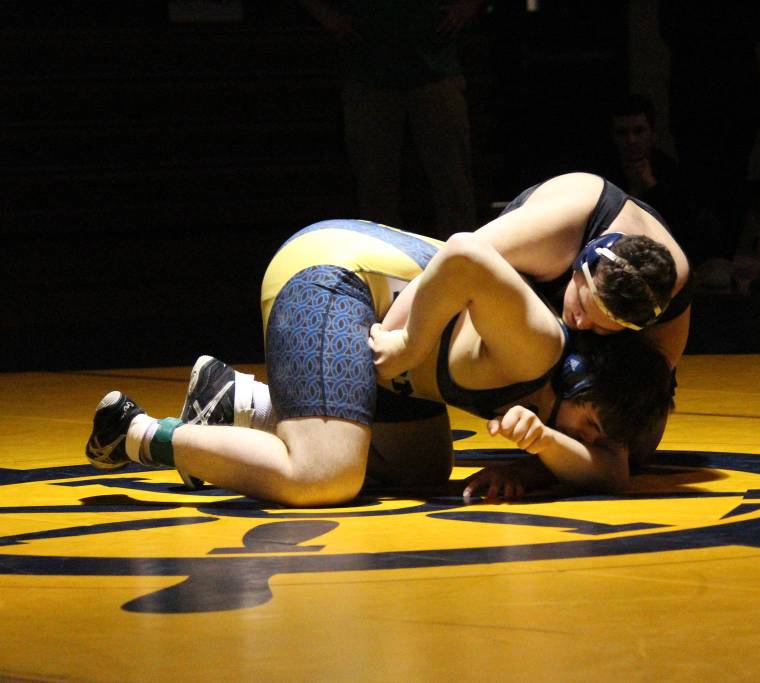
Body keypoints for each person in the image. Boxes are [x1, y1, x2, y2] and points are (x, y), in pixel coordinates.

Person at [86, 220, 675, 505]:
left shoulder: (572, 400)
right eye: (590, 426)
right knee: (325, 476)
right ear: (581, 377)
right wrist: (413, 342)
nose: (586, 442)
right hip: (332, 276)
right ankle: (138, 435)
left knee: (422, 471)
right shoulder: (541, 343)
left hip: (374, 325)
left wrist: (540, 453)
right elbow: (466, 253)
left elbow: (611, 473)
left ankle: (237, 403)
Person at [472, 172, 692, 461]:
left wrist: (540, 462)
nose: (579, 323)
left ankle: (546, 455)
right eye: (583, 307)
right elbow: (444, 262)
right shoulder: (555, 232)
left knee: (637, 443)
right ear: (582, 263)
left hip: (605, 332)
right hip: (514, 289)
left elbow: (647, 390)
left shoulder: (671, 289)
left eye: (602, 327)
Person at [298, 0, 481, 239]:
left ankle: (463, 254)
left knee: (452, 181)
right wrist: (329, 17)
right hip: (370, 72)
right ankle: (384, 254)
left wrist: (468, 6)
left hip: (431, 68)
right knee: (376, 185)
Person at [658, 0, 760, 288]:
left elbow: (757, 26)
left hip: (712, 90)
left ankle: (715, 257)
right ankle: (711, 257)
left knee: (722, 179)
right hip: (718, 89)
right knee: (711, 180)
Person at [584, 94, 692, 253]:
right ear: (613, 135)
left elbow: (682, 228)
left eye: (639, 131)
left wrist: (651, 186)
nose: (631, 140)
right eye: (622, 133)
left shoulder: (671, 172)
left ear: (653, 134)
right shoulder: (601, 174)